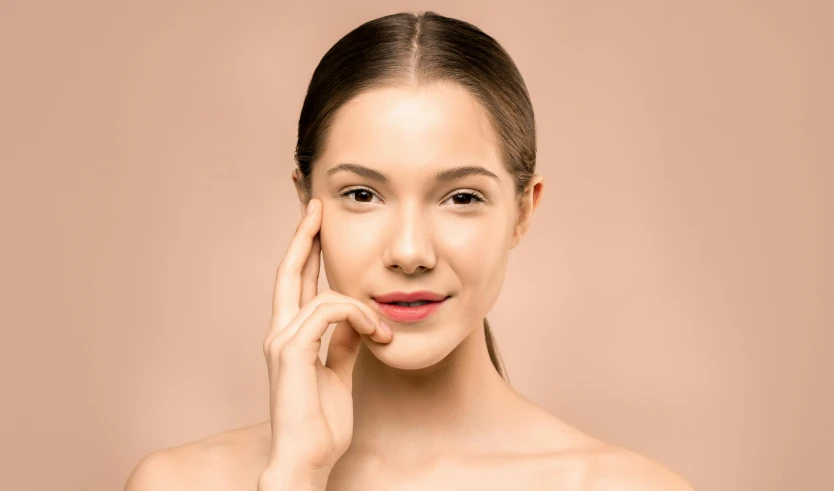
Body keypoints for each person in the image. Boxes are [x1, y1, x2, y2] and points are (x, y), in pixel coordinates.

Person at [124, 10, 694, 491]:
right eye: (363, 194)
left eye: (462, 197)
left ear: (523, 210)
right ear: (307, 202)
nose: (410, 251)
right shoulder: (179, 481)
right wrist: (296, 474)